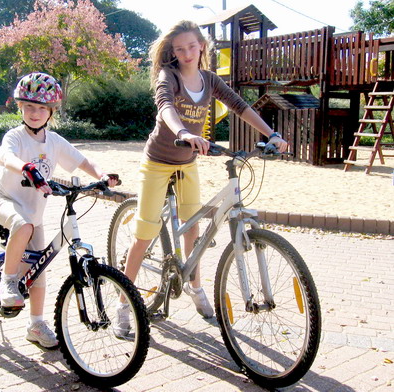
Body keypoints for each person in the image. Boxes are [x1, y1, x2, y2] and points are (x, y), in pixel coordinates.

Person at [118, 21, 288, 329]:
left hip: (187, 163)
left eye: (191, 47)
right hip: (157, 161)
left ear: (202, 48)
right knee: (144, 234)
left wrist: (271, 133)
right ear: (172, 51)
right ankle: (124, 306)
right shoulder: (168, 76)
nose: (185, 53)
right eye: (179, 49)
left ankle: (195, 286)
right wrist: (183, 130)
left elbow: (239, 105)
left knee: (192, 227)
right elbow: (165, 105)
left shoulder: (209, 80)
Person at [0, 72, 117, 348]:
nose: (35, 113)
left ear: (50, 112)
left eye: (42, 108)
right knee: (22, 226)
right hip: (5, 200)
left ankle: (35, 325)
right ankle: (8, 282)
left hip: (34, 213)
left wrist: (103, 174)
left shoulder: (54, 141)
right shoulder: (15, 136)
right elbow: (5, 156)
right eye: (29, 107)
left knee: (39, 270)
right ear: (20, 108)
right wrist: (26, 167)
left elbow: (83, 161)